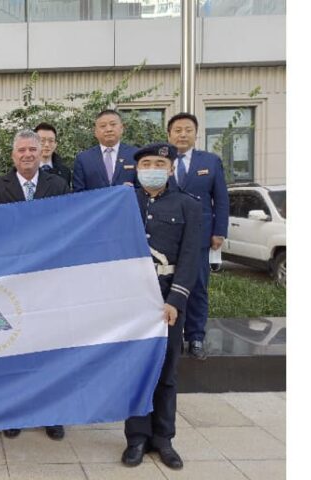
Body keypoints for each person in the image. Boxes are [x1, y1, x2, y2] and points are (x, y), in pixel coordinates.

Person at [0, 129, 69, 440]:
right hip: (12, 281)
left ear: (41, 151)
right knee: (14, 347)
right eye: (22, 150)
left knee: (48, 346)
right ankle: (14, 411)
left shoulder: (58, 185)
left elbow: (68, 226)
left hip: (48, 280)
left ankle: (51, 412)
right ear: (13, 155)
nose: (28, 155)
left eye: (33, 149)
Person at [121, 142, 201, 471]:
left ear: (170, 169)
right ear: (137, 170)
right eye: (146, 164)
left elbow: (191, 257)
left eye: (159, 164)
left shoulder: (188, 205)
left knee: (166, 373)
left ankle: (164, 438)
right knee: (136, 372)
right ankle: (136, 439)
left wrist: (176, 300)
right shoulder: (124, 201)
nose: (152, 169)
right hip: (132, 300)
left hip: (167, 300)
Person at [166, 112, 229, 360]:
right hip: (168, 236)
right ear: (169, 134)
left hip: (200, 236)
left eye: (188, 130)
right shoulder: (161, 161)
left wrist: (219, 231)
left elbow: (221, 199)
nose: (183, 134)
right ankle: (172, 336)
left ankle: (196, 337)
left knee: (198, 286)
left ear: (196, 133)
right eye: (177, 130)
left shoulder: (210, 161)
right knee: (169, 285)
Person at [72, 110, 139, 192]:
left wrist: (131, 191)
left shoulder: (136, 155)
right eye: (103, 126)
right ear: (95, 132)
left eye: (113, 124)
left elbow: (143, 189)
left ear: (122, 128)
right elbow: (78, 192)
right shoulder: (83, 159)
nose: (109, 129)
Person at [34, 122, 72, 188]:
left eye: (51, 141)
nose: (47, 145)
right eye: (42, 140)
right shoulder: (25, 170)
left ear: (55, 144)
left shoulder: (65, 172)